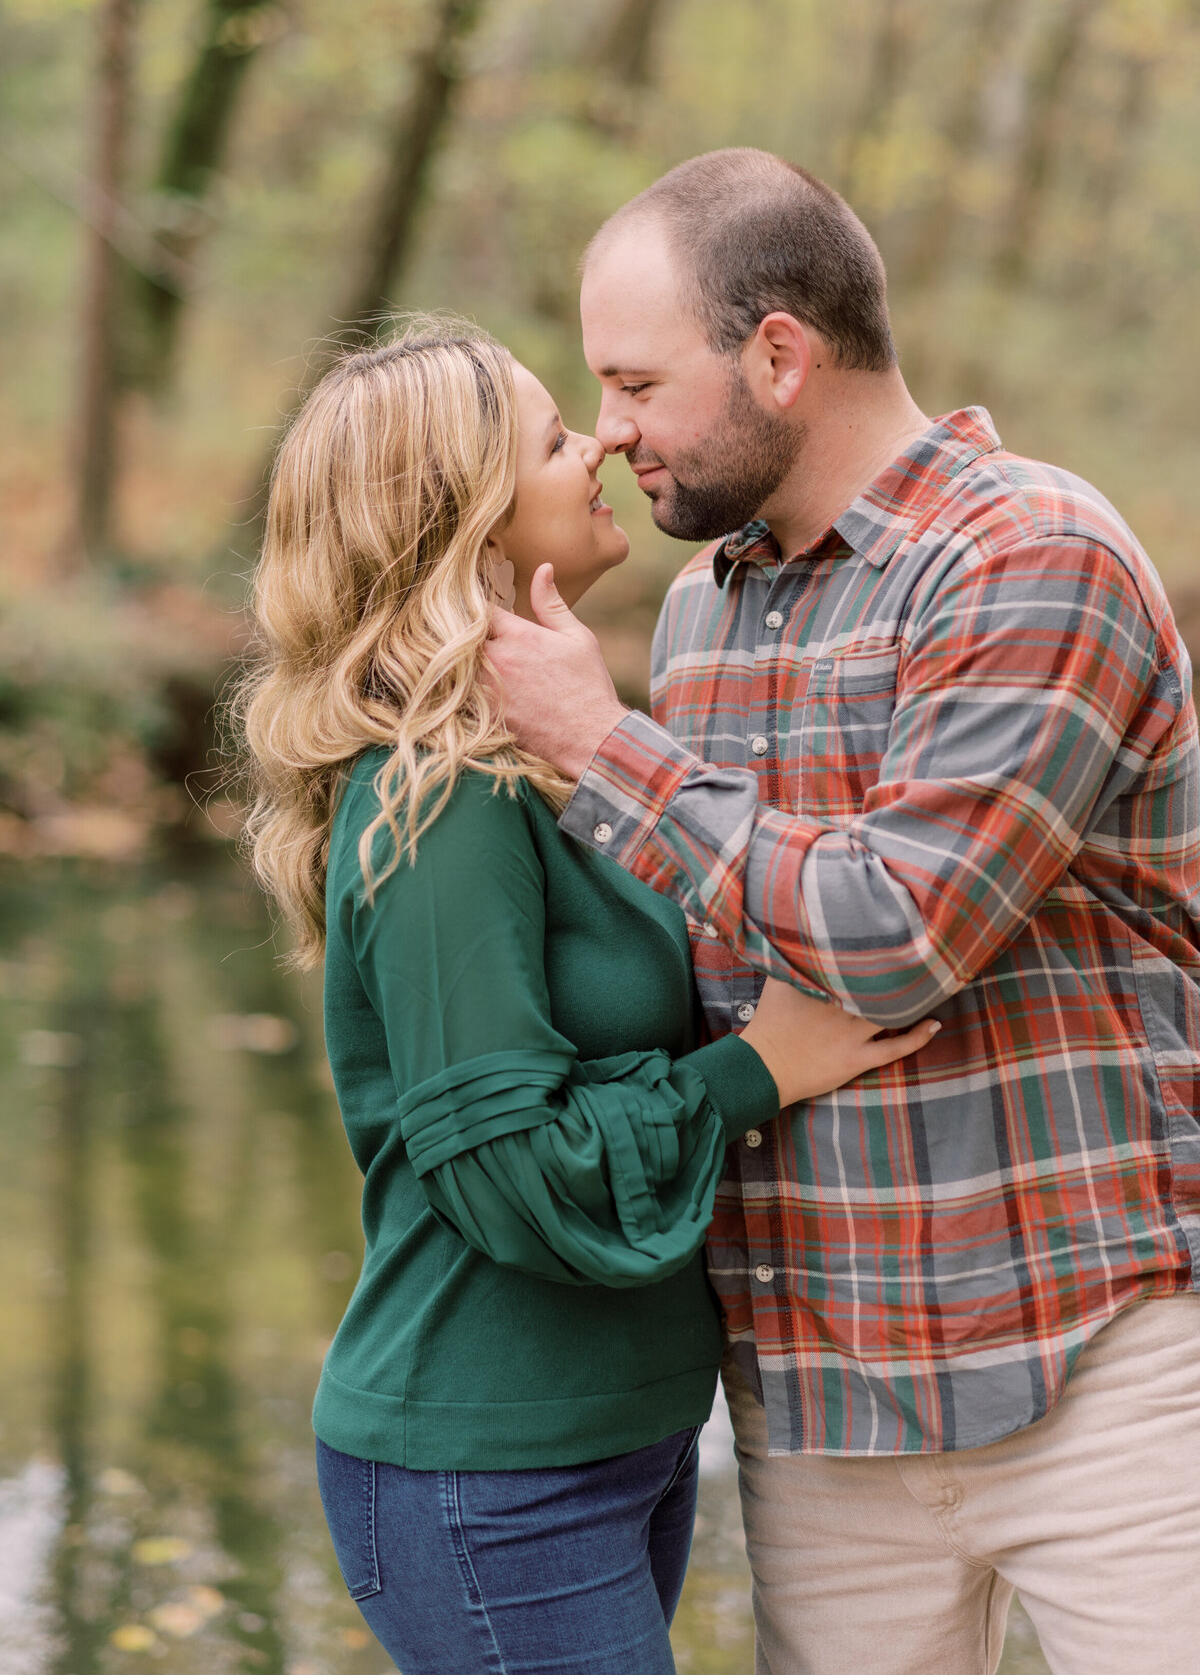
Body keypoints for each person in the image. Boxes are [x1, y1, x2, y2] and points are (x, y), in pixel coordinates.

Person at [486, 149, 1200, 1675]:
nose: (608, 434)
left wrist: (600, 742)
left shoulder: (1031, 555)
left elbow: (900, 934)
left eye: (633, 383)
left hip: (1105, 1362)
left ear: (781, 356)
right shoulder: (699, 609)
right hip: (819, 1397)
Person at [236, 321, 939, 1675]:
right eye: (557, 437)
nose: (604, 442)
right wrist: (759, 1069)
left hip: (612, 1439)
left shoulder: (537, 765)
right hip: (489, 1469)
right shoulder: (440, 798)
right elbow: (512, 1161)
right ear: (469, 520)